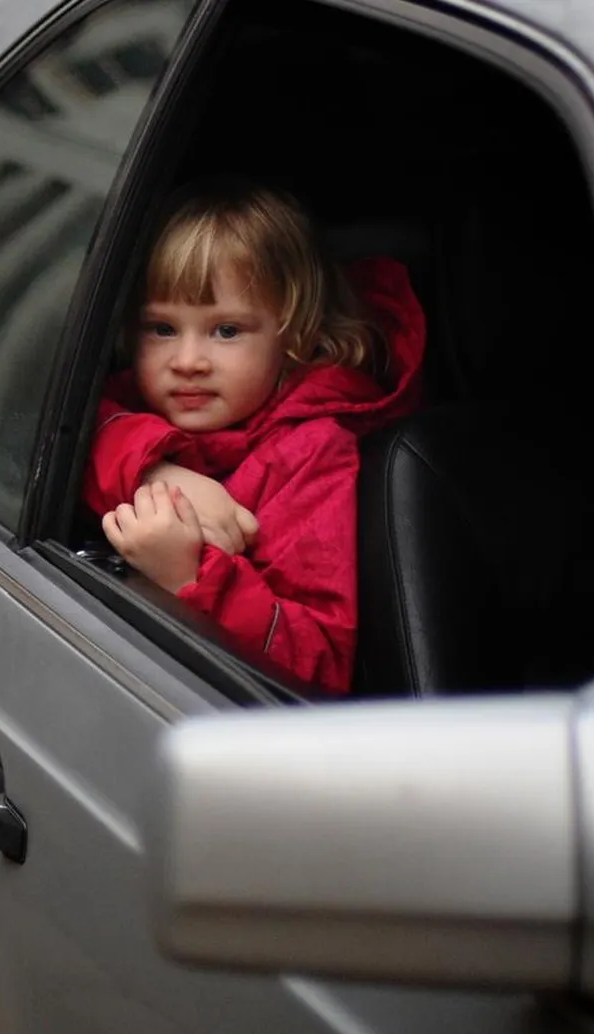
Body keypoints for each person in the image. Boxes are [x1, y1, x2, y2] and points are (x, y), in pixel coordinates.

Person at [83, 180, 427, 695]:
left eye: (227, 331)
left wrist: (189, 573)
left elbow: (318, 667)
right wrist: (156, 469)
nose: (188, 361)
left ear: (296, 334)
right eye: (162, 328)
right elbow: (80, 435)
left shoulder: (312, 455)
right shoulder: (122, 399)